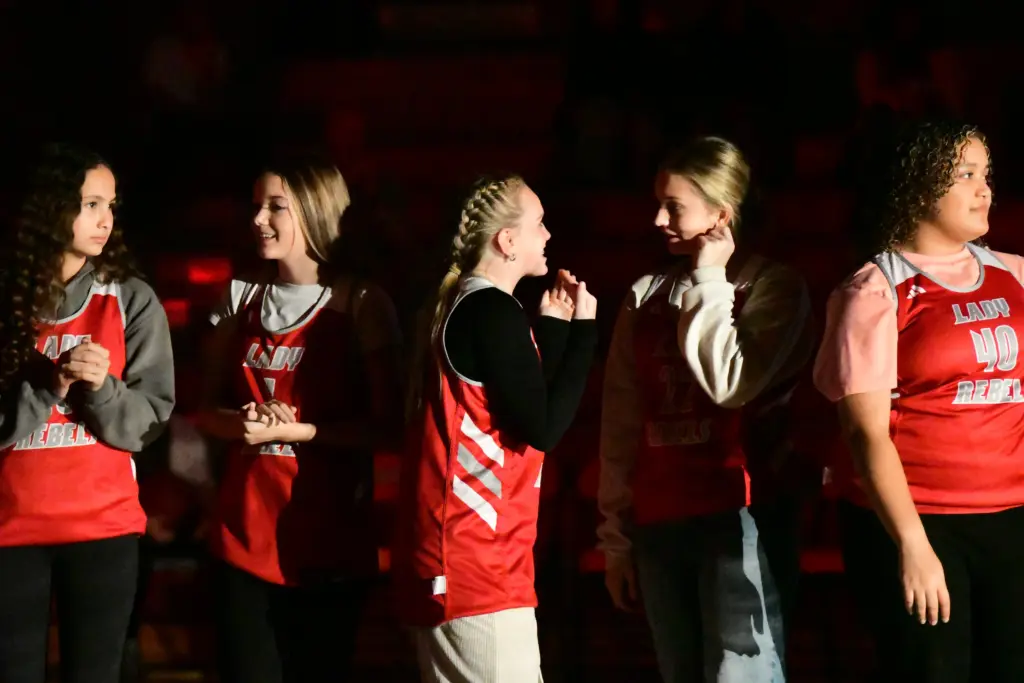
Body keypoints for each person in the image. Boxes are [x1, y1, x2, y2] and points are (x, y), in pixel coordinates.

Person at [815, 119, 1024, 683]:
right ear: (920, 186)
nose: (985, 190)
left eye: (987, 175)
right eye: (966, 175)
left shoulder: (1014, 274)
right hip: (920, 521)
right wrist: (912, 544)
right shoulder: (874, 289)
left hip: (1012, 518)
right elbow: (865, 434)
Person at [597, 137, 813, 683]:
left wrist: (711, 278)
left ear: (721, 214)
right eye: (658, 204)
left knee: (744, 676)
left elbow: (730, 384)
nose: (658, 219)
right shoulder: (645, 293)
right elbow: (621, 423)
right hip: (659, 520)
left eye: (674, 207)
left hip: (743, 519)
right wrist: (615, 539)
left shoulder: (774, 287)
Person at [197, 154, 402, 683]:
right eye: (256, 206)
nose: (258, 219)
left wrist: (301, 431)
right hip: (243, 535)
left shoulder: (361, 302)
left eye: (275, 207)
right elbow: (202, 410)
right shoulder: (240, 295)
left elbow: (389, 428)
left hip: (328, 540)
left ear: (314, 210)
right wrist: (238, 422)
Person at [395, 174, 598, 682]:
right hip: (474, 563)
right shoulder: (491, 309)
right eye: (538, 223)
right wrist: (585, 334)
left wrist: (553, 327)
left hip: (470, 559)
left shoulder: (475, 304)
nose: (548, 234)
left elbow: (521, 403)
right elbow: (543, 428)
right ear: (507, 240)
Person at [0, 144, 175, 683]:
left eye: (111, 206)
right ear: (52, 207)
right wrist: (49, 385)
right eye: (91, 204)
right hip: (9, 532)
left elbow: (150, 422)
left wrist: (101, 388)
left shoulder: (131, 298)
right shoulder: (7, 300)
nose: (106, 220)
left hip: (103, 531)